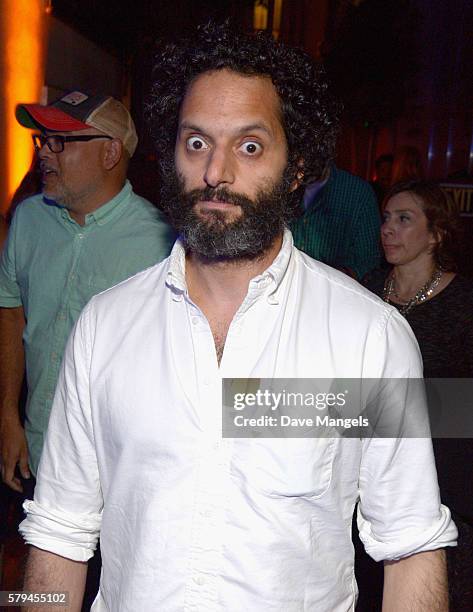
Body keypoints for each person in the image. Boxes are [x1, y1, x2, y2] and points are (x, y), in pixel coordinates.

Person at [19, 23, 456, 612]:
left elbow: (411, 545)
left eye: (249, 146)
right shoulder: (104, 327)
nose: (216, 172)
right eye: (196, 142)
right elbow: (57, 535)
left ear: (296, 166)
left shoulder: (369, 340)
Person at [0, 91, 174, 491]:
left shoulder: (162, 245)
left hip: (114, 476)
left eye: (60, 141)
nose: (45, 154)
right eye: (42, 139)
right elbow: (11, 312)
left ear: (111, 153)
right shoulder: (28, 220)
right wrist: (8, 415)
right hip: (35, 453)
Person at [363, 180, 473, 610]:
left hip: (445, 482)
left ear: (436, 233)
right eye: (386, 218)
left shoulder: (463, 303)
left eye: (404, 219)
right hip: (370, 476)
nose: (388, 229)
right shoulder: (368, 290)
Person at [291, 163, 381, 279]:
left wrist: (337, 277)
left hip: (336, 292)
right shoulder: (279, 184)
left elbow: (369, 259)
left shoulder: (357, 192)